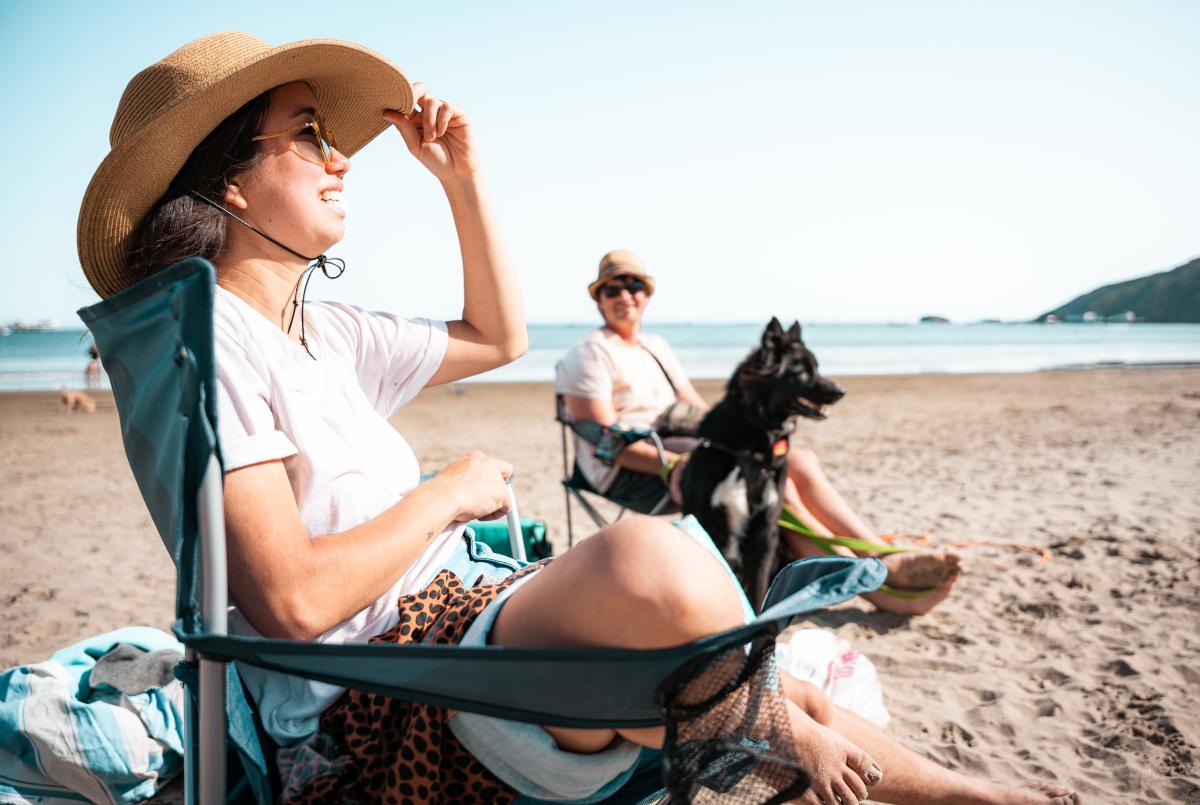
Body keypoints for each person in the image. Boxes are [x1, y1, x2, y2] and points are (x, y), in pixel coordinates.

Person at [76, 32, 1080, 805]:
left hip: (468, 619)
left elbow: (495, 332)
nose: (340, 157)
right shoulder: (211, 347)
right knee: (656, 566)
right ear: (226, 179)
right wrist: (446, 493)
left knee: (697, 635)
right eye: (307, 132)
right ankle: (797, 739)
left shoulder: (322, 331)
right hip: (378, 690)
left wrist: (460, 181)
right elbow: (290, 600)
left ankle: (948, 787)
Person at [556, 250, 961, 616]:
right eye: (613, 288)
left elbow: (696, 409)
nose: (625, 294)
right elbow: (605, 441)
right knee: (767, 487)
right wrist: (681, 463)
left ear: (646, 294)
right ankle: (877, 581)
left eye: (634, 285)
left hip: (685, 447)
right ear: (598, 298)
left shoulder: (655, 346)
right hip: (634, 468)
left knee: (792, 462)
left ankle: (874, 554)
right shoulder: (590, 353)